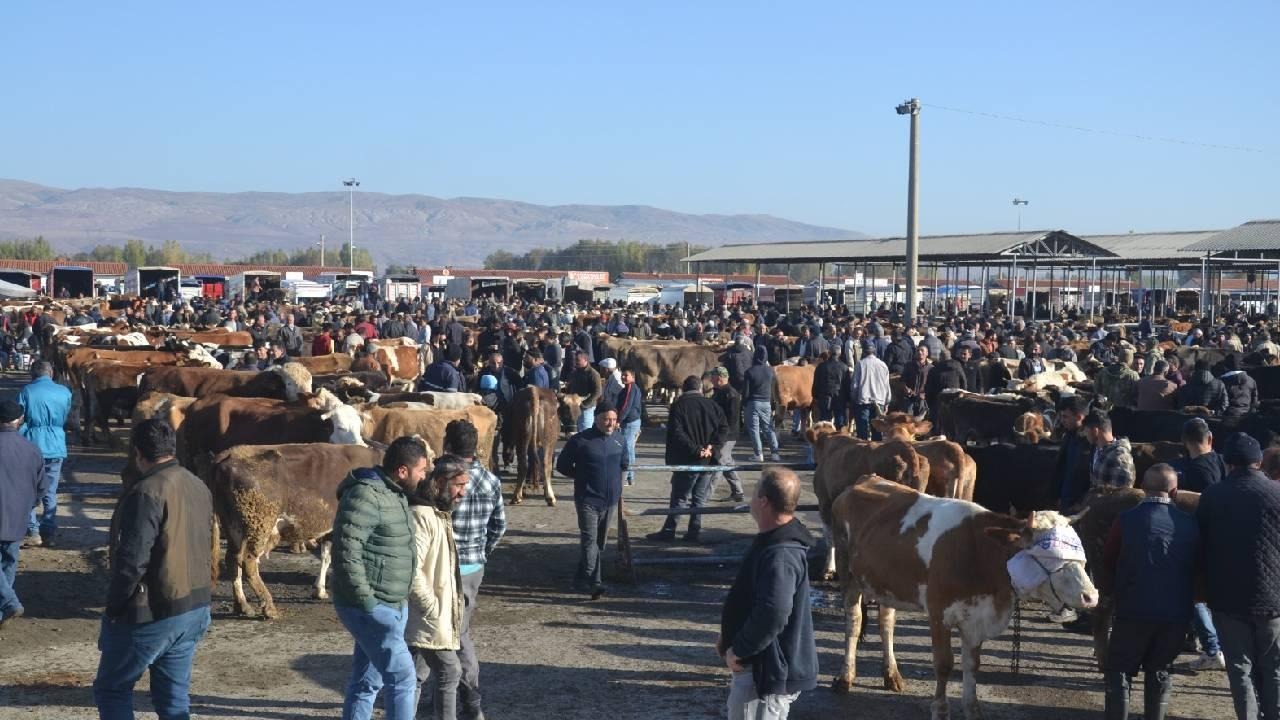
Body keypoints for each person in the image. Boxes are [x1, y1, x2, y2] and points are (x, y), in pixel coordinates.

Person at [92, 420, 214, 719]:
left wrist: (115, 606)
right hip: (194, 604)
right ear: (171, 447)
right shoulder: (197, 484)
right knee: (173, 700)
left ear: (137, 452)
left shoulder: (146, 492)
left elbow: (132, 560)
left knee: (112, 689)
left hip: (154, 610)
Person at [331, 436, 426, 720]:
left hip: (391, 604)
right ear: (402, 471)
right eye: (422, 470)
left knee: (367, 681)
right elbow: (346, 552)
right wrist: (367, 602)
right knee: (403, 678)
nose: (425, 476)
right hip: (372, 607)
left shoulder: (394, 493)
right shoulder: (366, 495)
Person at [1102, 464, 1200, 720]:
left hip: (1133, 609)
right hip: (1176, 614)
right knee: (1160, 670)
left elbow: (1109, 559)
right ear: (1175, 491)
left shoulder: (1125, 521)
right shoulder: (1191, 525)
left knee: (1119, 671)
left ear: (1142, 488)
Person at [718, 467, 817, 720]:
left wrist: (739, 648)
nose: (751, 499)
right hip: (762, 667)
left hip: (764, 673)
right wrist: (728, 635)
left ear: (763, 501)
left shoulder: (781, 554)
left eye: (754, 493)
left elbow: (773, 612)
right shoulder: (773, 541)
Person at [1198, 432, 1280, 720]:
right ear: (1259, 462)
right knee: (1273, 668)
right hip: (1273, 599)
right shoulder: (1278, 493)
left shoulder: (1212, 496)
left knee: (1239, 667)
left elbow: (1201, 545)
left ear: (1228, 463)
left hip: (1228, 598)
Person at [444, 420, 506, 720]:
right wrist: (483, 552)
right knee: (461, 633)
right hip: (473, 566)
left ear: (448, 445)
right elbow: (499, 525)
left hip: (440, 566)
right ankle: (468, 701)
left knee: (432, 635)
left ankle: (450, 700)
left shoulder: (441, 477)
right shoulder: (491, 480)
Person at [407, 455, 470, 720]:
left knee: (415, 675)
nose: (462, 492)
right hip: (427, 614)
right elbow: (413, 569)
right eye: (459, 485)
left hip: (430, 614)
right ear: (442, 482)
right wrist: (432, 606)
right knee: (449, 671)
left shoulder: (437, 512)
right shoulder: (422, 515)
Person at [555, 403, 627, 598]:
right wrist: (582, 476)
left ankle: (584, 581)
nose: (610, 424)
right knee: (589, 542)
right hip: (587, 500)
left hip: (610, 501)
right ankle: (591, 579)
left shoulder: (620, 440)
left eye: (613, 420)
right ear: (596, 419)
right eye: (606, 419)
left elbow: (624, 464)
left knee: (600, 544)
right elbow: (561, 465)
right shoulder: (581, 440)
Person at [648, 375, 729, 543]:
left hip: (687, 459)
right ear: (700, 388)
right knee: (699, 499)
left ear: (684, 389)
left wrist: (695, 449)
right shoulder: (713, 405)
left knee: (679, 498)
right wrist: (711, 447)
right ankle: (694, 531)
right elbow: (724, 429)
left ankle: (670, 530)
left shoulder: (678, 406)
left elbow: (677, 433)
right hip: (708, 460)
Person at [0, 400, 45, 627]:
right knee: (9, 561)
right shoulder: (32, 449)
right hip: (18, 515)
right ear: (19, 420)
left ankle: (9, 602)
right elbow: (41, 487)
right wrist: (28, 505)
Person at [18, 360, 71, 547]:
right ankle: (49, 530)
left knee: (29, 489)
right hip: (56, 443)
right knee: (50, 489)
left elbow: (20, 418)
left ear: (34, 373)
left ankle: (32, 530)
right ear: (51, 372)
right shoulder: (65, 392)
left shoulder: (27, 391)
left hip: (32, 443)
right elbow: (65, 416)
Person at [708, 367, 746, 502]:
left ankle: (705, 494)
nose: (710, 379)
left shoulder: (731, 394)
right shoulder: (720, 392)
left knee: (718, 462)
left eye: (712, 377)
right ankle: (738, 492)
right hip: (722, 434)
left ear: (719, 378)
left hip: (727, 435)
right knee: (727, 462)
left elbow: (733, 419)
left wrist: (722, 436)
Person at [743, 344, 782, 463]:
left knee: (754, 429)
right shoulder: (771, 371)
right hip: (766, 402)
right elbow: (774, 388)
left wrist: (744, 404)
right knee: (768, 428)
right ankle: (775, 453)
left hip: (753, 403)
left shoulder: (749, 371)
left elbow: (746, 392)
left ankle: (758, 454)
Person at [1084, 408, 1135, 490]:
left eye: (1086, 431)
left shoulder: (1120, 456)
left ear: (1095, 431)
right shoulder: (1096, 450)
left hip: (1106, 502)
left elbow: (1121, 494)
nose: (1085, 435)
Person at [849, 341, 891, 441]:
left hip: (863, 401)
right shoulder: (883, 365)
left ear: (864, 351)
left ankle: (863, 453)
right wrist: (887, 402)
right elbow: (886, 386)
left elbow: (854, 386)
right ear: (874, 351)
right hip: (879, 401)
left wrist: (854, 399)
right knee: (877, 431)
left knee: (862, 431)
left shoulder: (860, 364)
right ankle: (876, 453)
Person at [613, 367, 643, 486]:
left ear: (632, 377)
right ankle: (629, 477)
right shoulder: (627, 388)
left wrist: (619, 420)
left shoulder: (631, 388)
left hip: (629, 422)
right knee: (628, 449)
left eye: (626, 375)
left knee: (627, 450)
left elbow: (626, 406)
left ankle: (627, 477)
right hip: (630, 421)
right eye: (622, 375)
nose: (623, 377)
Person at [566, 350, 602, 433]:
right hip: (575, 407)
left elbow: (598, 391)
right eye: (575, 360)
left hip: (586, 409)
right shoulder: (575, 372)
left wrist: (585, 404)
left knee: (585, 431)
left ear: (585, 360)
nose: (575, 362)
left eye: (578, 360)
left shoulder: (593, 374)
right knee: (577, 431)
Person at [900, 343, 931, 417]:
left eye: (922, 350)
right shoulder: (909, 365)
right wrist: (906, 388)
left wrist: (925, 394)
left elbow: (933, 385)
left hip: (923, 401)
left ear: (927, 353)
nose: (920, 352)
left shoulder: (931, 368)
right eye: (918, 350)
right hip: (909, 399)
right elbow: (902, 380)